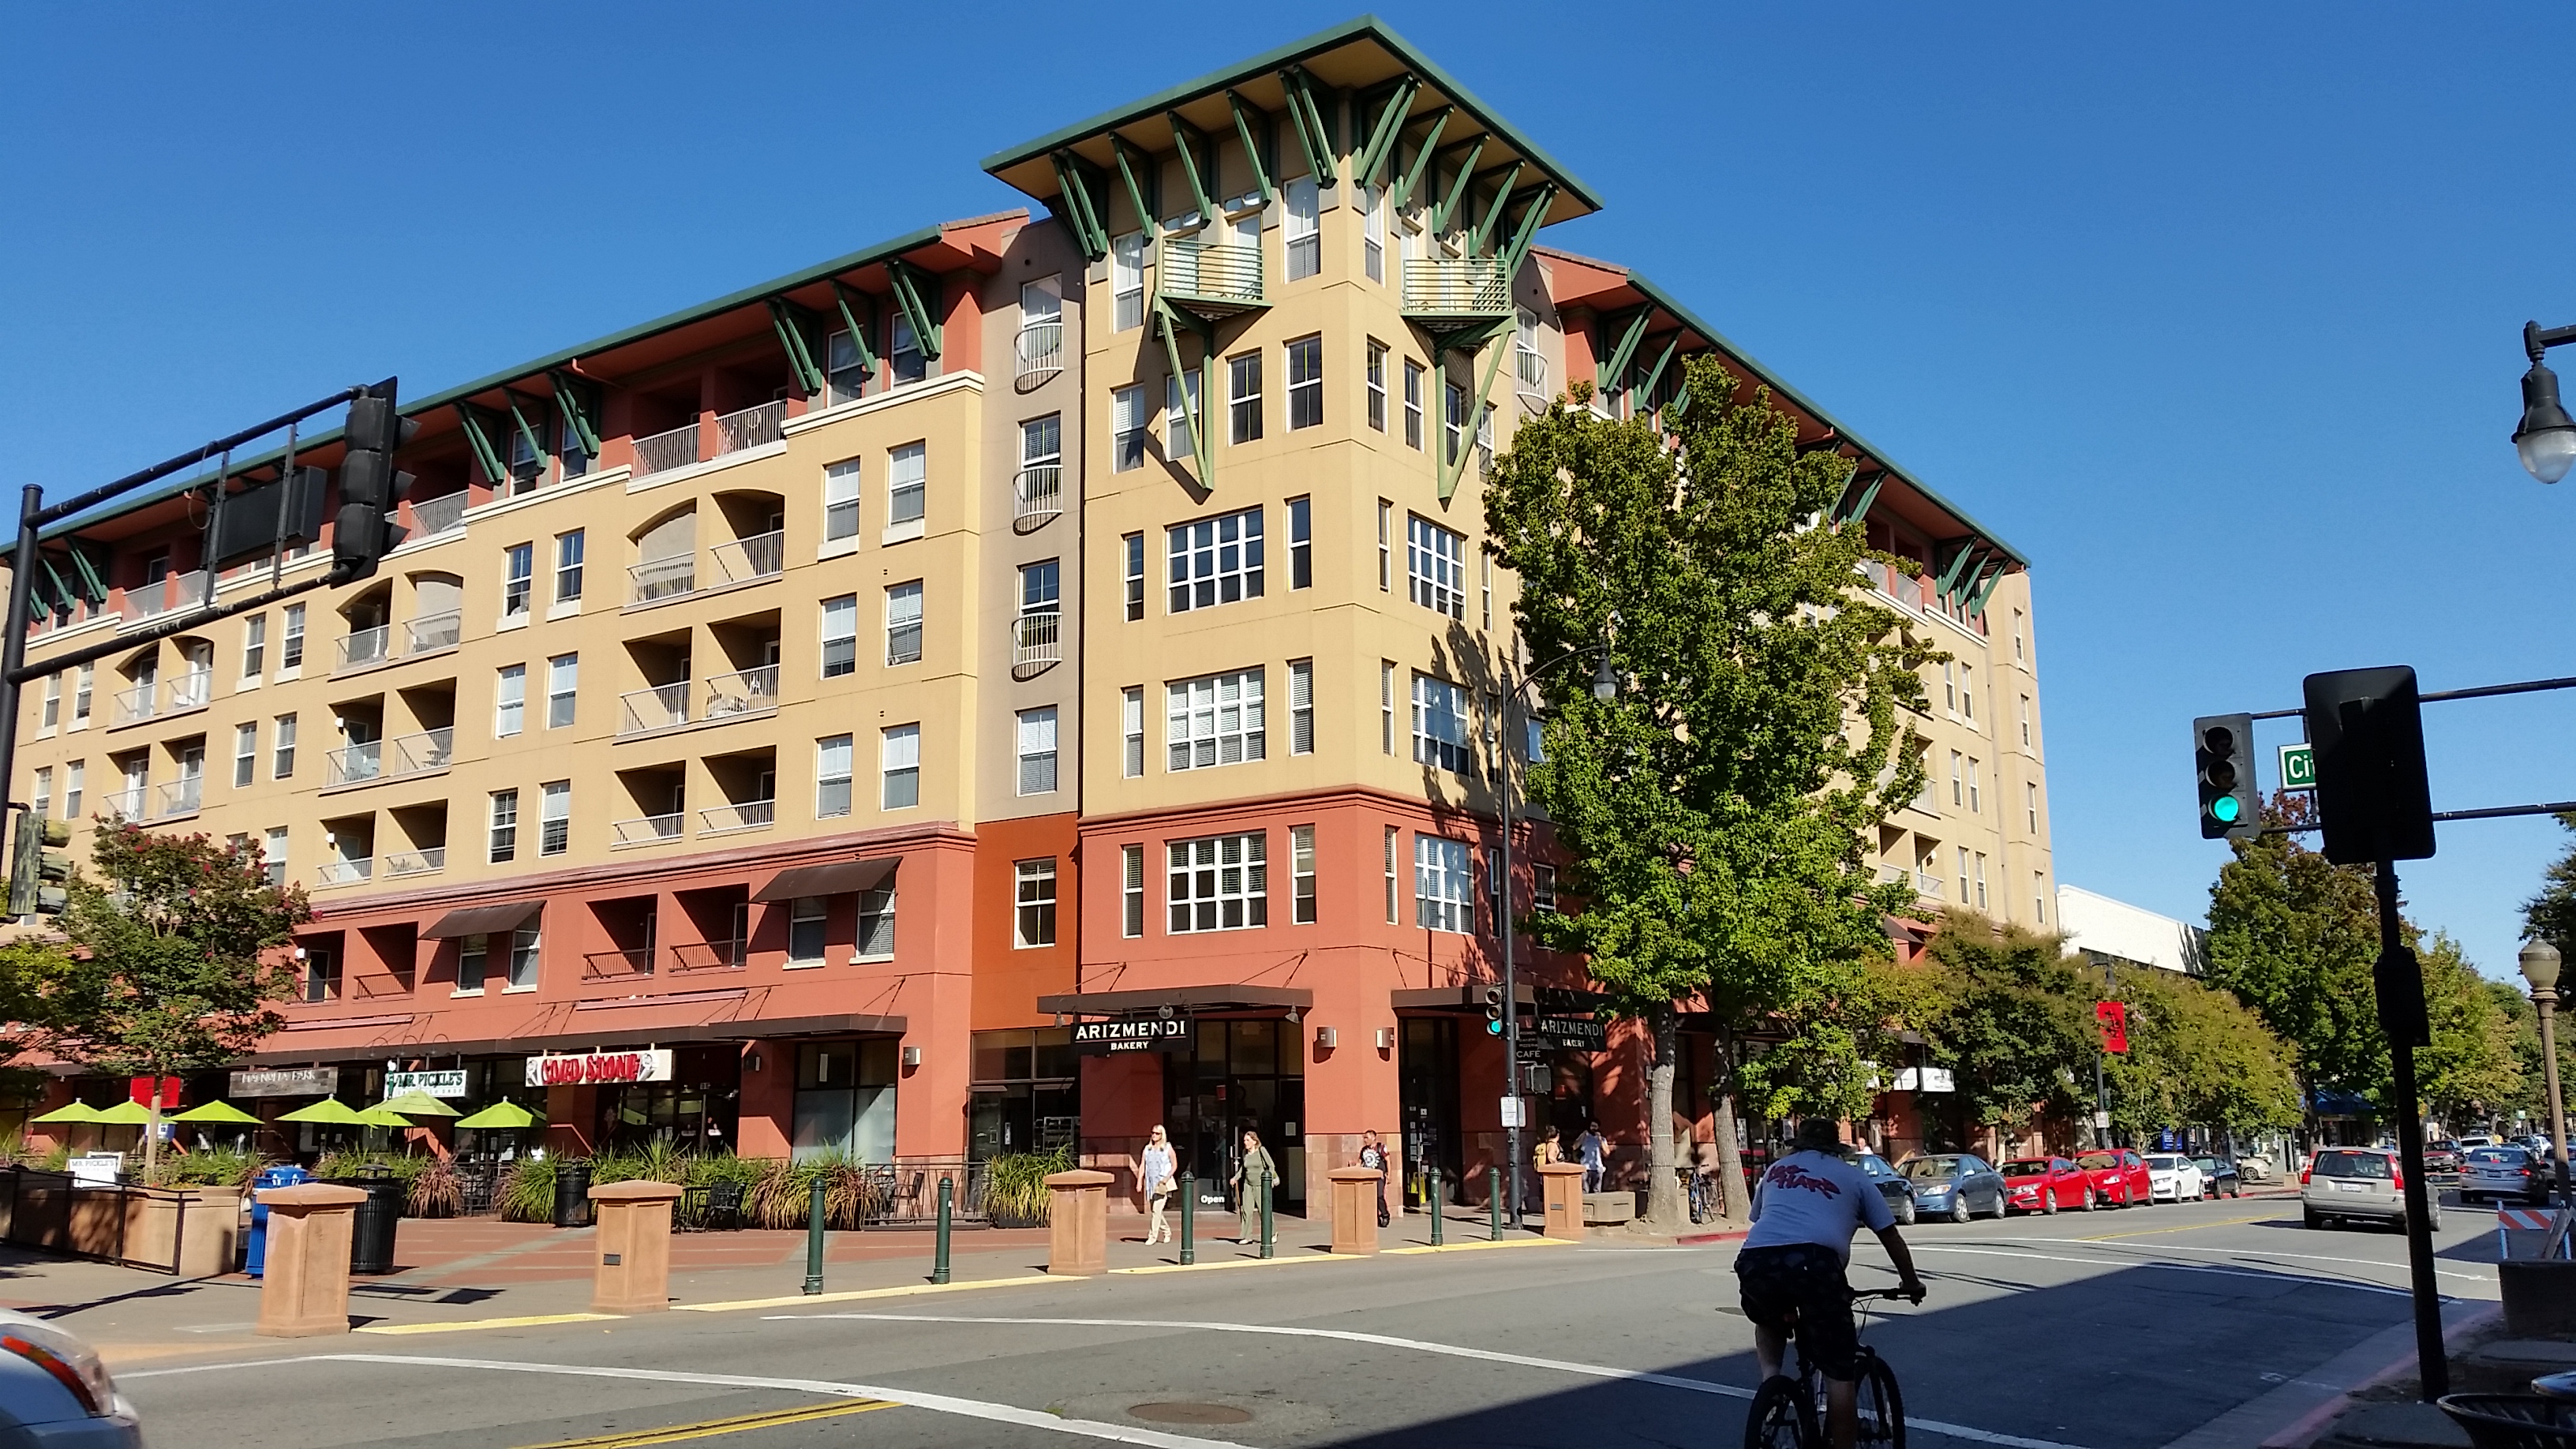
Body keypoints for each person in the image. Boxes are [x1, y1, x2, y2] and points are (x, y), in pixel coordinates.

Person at [1735, 1118, 1928, 1449]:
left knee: (1767, 1315)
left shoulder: (1776, 1170)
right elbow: (1890, 1236)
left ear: (1800, 1144)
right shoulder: (1854, 1177)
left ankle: (1772, 1385)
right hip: (1815, 1265)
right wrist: (1911, 1282)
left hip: (1755, 1258)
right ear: (1835, 1148)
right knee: (1839, 1370)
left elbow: (1760, 1219)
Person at [1231, 1128, 1278, 1245]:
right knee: (1246, 1210)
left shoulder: (1261, 1150)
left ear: (1254, 1141)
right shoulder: (1245, 1153)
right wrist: (1235, 1178)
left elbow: (1271, 1166)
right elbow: (1243, 1169)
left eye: (1247, 1140)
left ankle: (1272, 1233)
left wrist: (1270, 1179)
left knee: (1264, 1210)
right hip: (1248, 1185)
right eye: (1244, 1140)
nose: (1245, 1143)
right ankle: (1247, 1236)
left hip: (1261, 1185)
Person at [1140, 1125, 1177, 1245]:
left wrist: (1167, 1178)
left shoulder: (1167, 1147)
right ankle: (1167, 1231)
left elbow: (1174, 1164)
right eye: (1153, 1133)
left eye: (1157, 1133)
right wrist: (1139, 1180)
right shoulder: (1147, 1149)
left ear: (1162, 1135)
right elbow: (1142, 1166)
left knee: (1157, 1210)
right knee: (1155, 1211)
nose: (1154, 1135)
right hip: (1151, 1183)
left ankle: (1152, 1236)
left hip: (1162, 1183)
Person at [1359, 1129, 1391, 1228]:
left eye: (1367, 1138)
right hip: (1367, 1177)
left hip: (1379, 1176)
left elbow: (1388, 1161)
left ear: (1373, 1138)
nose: (1365, 1140)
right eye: (1364, 1138)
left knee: (1379, 1195)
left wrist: (1389, 1175)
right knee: (1369, 1198)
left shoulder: (1381, 1147)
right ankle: (1374, 1217)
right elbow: (1359, 1162)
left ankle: (1385, 1215)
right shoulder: (1364, 1150)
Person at [1575, 1121, 1608, 1194]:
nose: (1593, 1128)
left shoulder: (1602, 1139)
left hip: (1598, 1168)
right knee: (1585, 1191)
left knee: (1597, 1191)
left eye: (1595, 1126)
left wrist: (1600, 1139)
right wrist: (1583, 1136)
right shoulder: (1584, 1137)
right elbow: (1575, 1147)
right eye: (1592, 1126)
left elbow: (1607, 1152)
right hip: (1585, 1168)